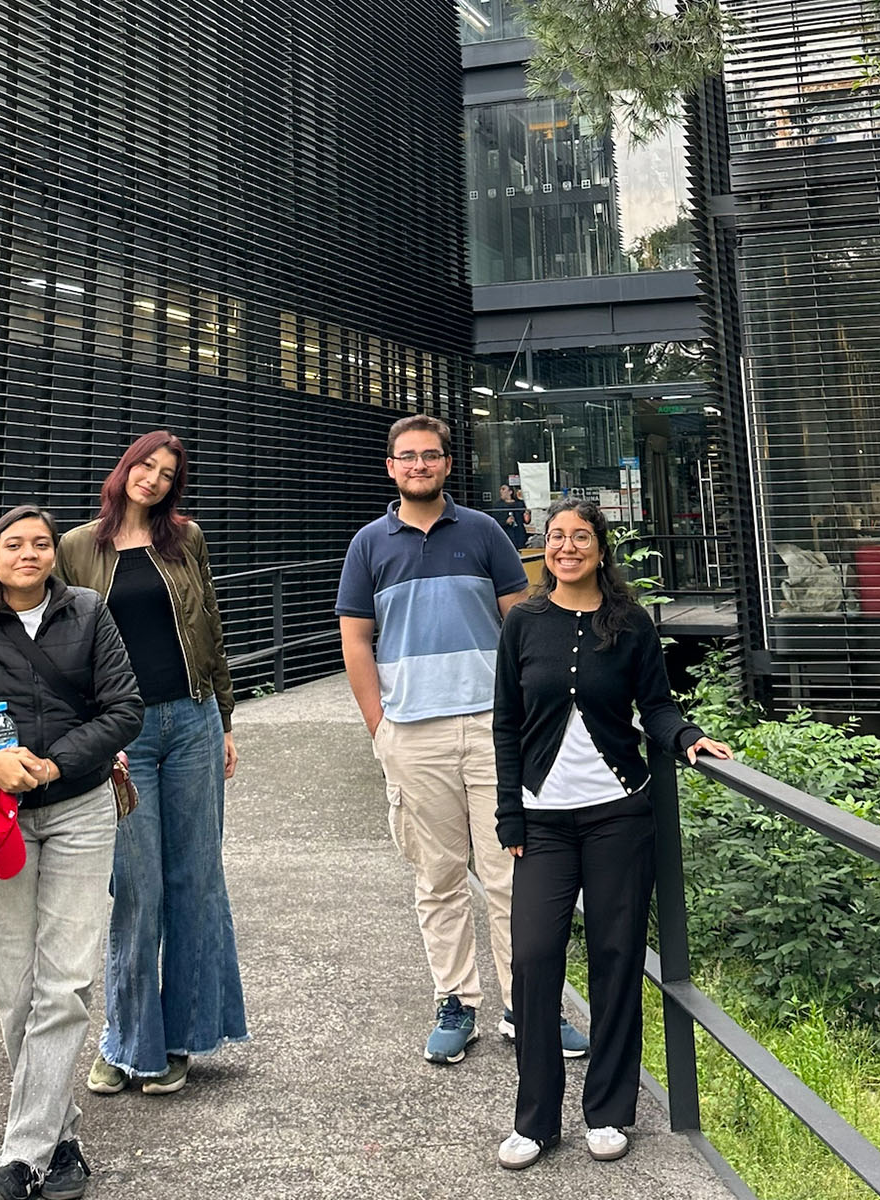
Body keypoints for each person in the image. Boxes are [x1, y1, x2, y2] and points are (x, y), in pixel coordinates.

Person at [337, 414, 587, 1064]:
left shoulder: (484, 534)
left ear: (447, 464)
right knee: (439, 876)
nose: (418, 466)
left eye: (430, 456)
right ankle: (456, 1000)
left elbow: (526, 622)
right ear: (391, 467)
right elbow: (356, 641)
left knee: (513, 873)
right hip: (412, 735)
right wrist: (381, 730)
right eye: (407, 457)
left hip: (491, 730)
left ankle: (528, 1005)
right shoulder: (369, 545)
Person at [491, 496, 730, 1170]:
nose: (567, 547)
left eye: (581, 537)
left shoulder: (630, 625)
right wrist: (510, 812)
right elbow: (505, 722)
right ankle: (535, 1121)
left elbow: (655, 705)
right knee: (535, 958)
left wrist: (686, 738)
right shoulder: (524, 624)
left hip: (619, 814)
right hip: (542, 820)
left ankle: (610, 1111)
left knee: (617, 956)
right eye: (557, 537)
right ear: (545, 548)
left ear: (601, 548)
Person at [0, 505, 144, 1200]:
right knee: (17, 989)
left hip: (78, 808)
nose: (29, 553)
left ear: (54, 555)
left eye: (41, 544)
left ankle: (20, 1154)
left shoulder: (88, 612)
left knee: (67, 982)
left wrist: (52, 764)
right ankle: (63, 1139)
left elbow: (123, 709)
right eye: (14, 544)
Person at [58, 431, 247, 1099]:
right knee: (137, 889)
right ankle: (123, 1042)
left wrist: (224, 719)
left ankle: (181, 1039)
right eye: (147, 466)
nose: (155, 479)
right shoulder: (79, 546)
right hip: (122, 738)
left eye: (168, 473)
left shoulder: (184, 540)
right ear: (125, 467)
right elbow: (60, 647)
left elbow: (211, 629)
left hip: (191, 722)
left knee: (196, 879)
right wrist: (85, 734)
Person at [492, 482, 532, 550]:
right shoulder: (498, 505)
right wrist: (505, 521)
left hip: (519, 534)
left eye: (503, 489)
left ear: (510, 491)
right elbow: (495, 521)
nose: (501, 491)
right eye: (501, 489)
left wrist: (527, 515)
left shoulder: (519, 504)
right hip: (506, 534)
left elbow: (526, 520)